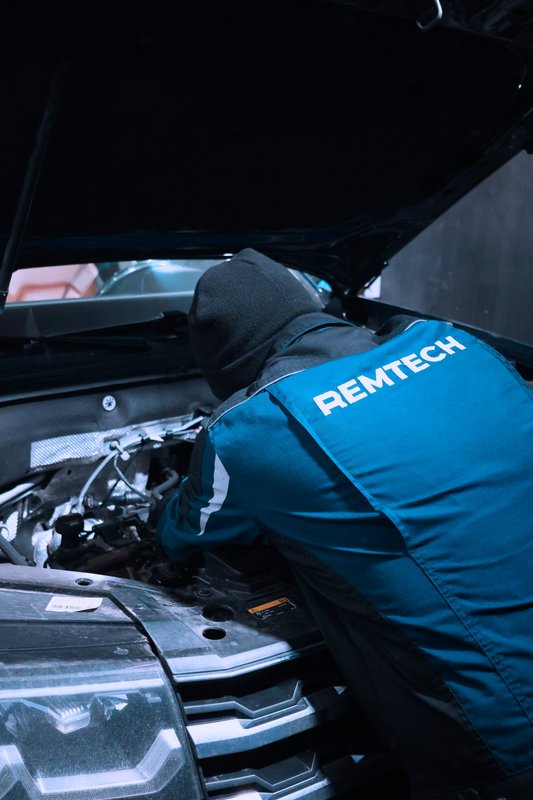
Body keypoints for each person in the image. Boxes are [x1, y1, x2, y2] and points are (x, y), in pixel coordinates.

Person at [157, 248, 533, 800]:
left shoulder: (245, 428)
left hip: (500, 744)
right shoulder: (452, 342)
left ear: (228, 366)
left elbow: (186, 534)